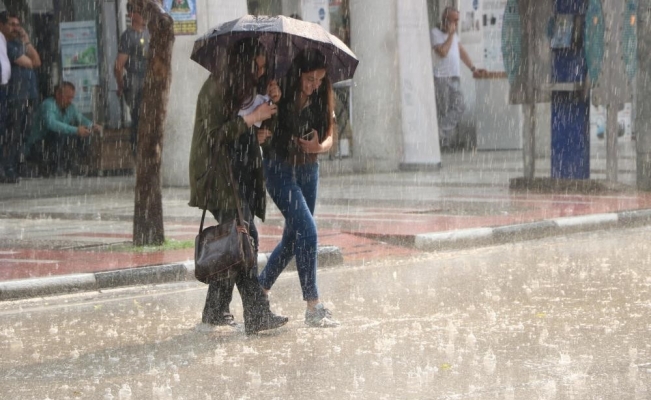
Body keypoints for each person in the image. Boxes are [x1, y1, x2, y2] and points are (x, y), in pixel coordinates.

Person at [188, 38, 288, 335]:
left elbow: (249, 129)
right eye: (254, 66)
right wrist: (250, 119)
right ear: (240, 64)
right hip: (219, 177)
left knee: (239, 238)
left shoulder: (244, 88)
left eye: (262, 67)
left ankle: (216, 311)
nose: (259, 73)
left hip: (238, 174)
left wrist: (273, 103)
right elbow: (217, 135)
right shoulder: (214, 88)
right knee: (242, 238)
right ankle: (256, 314)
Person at [258, 49, 340, 328]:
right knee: (308, 230)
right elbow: (270, 128)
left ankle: (259, 292)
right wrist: (279, 102)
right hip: (279, 169)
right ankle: (313, 306)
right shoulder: (280, 89)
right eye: (309, 79)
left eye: (319, 79)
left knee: (294, 239)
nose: (314, 85)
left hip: (308, 168)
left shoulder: (322, 95)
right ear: (298, 74)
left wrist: (320, 147)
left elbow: (330, 134)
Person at [430, 6, 483, 149]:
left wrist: (473, 68)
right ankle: (441, 142)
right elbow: (442, 52)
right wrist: (450, 35)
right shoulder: (435, 33)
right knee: (442, 110)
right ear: (445, 19)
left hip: (454, 76)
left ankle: (440, 132)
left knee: (459, 106)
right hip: (441, 76)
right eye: (454, 20)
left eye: (458, 20)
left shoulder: (454, 35)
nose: (456, 23)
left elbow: (461, 51)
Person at [26, 82, 101, 177]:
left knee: (82, 135)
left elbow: (80, 118)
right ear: (58, 94)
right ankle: (54, 168)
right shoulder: (48, 105)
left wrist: (92, 125)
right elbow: (52, 124)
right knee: (60, 134)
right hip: (38, 145)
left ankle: (77, 164)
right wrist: (76, 130)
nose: (70, 101)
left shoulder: (70, 107)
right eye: (68, 97)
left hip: (56, 144)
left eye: (72, 98)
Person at [4, 12, 41, 182]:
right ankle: (9, 167)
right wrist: (24, 45)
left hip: (28, 94)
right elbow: (30, 63)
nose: (15, 28)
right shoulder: (8, 46)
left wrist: (26, 39)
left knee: (24, 133)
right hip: (16, 96)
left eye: (17, 25)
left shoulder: (20, 43)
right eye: (11, 24)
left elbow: (38, 61)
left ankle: (18, 164)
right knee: (13, 133)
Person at [114, 1, 150, 155]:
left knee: (150, 118)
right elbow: (118, 66)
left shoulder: (150, 33)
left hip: (150, 80)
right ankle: (138, 151)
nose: (144, 15)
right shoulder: (128, 36)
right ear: (131, 15)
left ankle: (148, 151)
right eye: (139, 12)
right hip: (135, 82)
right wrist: (121, 85)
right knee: (139, 118)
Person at [0, 12, 15, 182]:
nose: (12, 28)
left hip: (4, 87)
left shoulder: (5, 40)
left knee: (4, 128)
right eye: (9, 24)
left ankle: (5, 167)